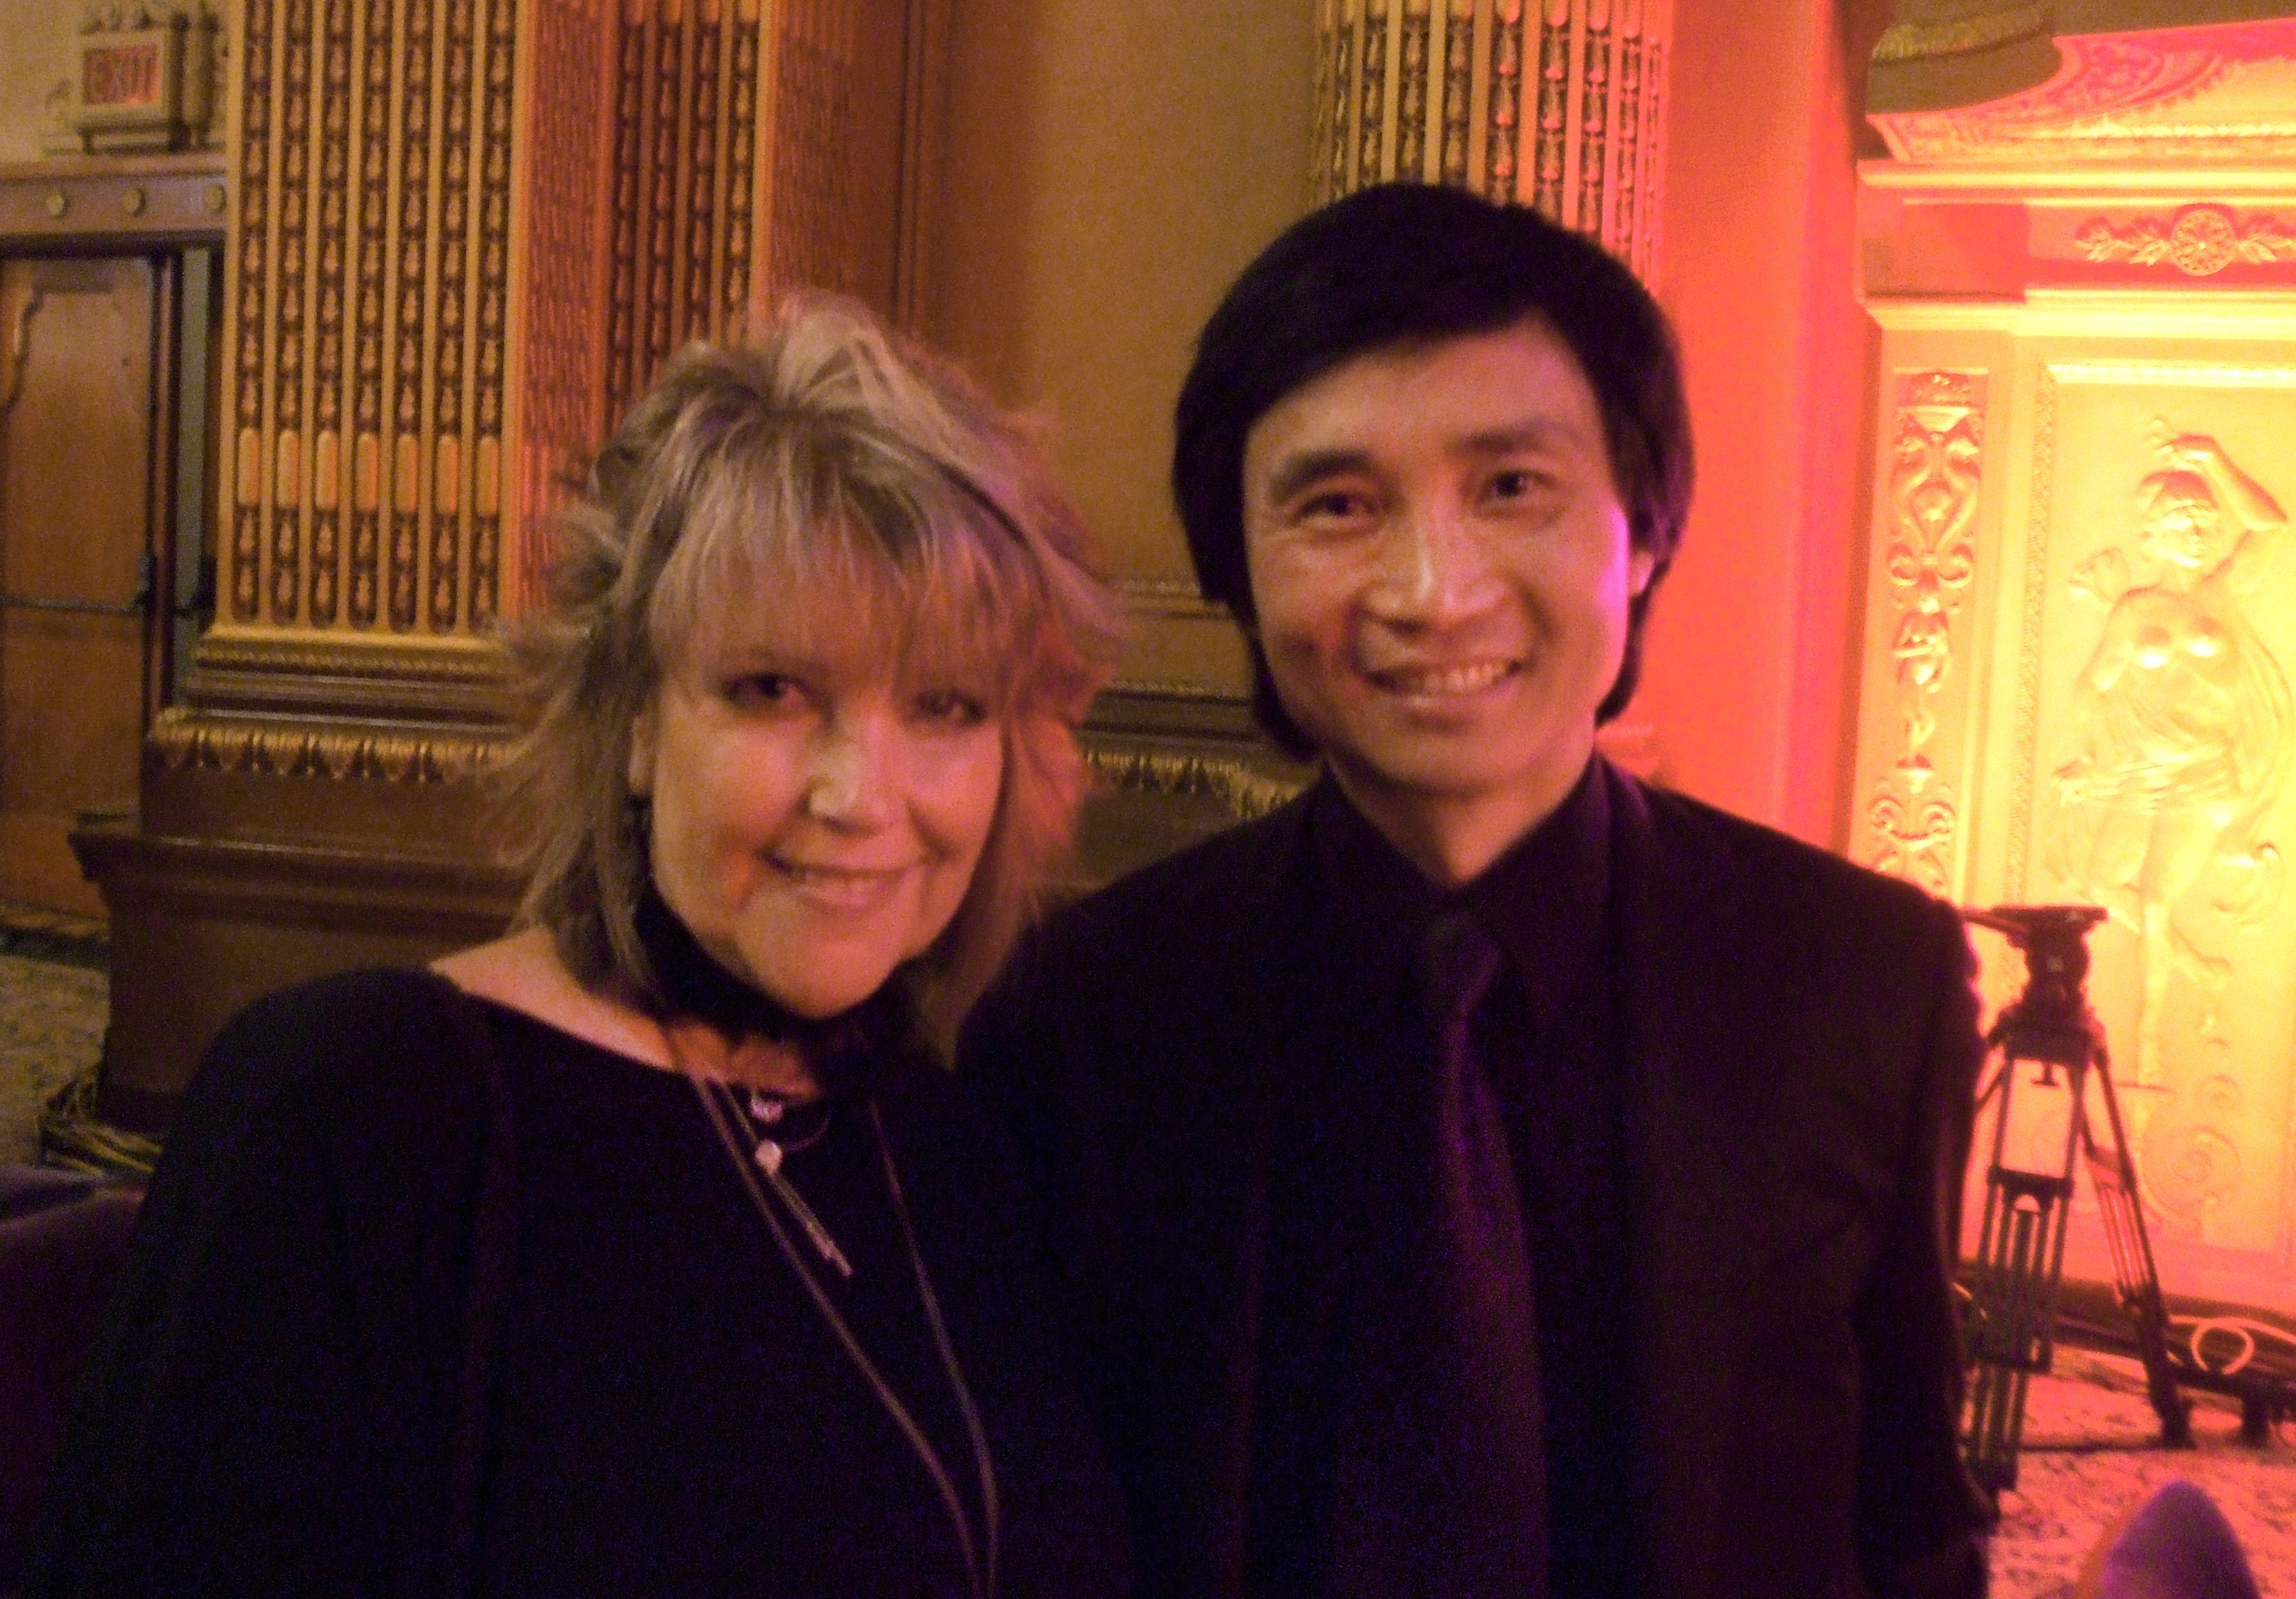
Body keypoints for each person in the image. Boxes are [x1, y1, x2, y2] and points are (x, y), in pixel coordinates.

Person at [961, 183, 1992, 1598]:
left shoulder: (1858, 981)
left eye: (1511, 487)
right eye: (1337, 504)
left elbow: (1910, 1522)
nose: (1434, 590)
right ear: (1240, 573)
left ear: (1644, 531)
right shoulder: (1085, 1016)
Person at [26, 299, 1133, 1598]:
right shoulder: (362, 1111)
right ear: (633, 724)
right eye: (772, 689)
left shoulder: (956, 1140)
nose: (860, 796)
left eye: (944, 704)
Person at [2051, 425, 2291, 1090]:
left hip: (2205, 779)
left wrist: (2214, 462)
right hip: (2139, 776)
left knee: (2155, 902)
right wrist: (2089, 760)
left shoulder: (2223, 594)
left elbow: (2272, 527)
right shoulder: (2134, 611)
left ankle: (2148, 1053)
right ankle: (2196, 967)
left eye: (2204, 518)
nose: (2199, 529)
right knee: (2097, 877)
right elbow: (2092, 685)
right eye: (2183, 519)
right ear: (2154, 531)